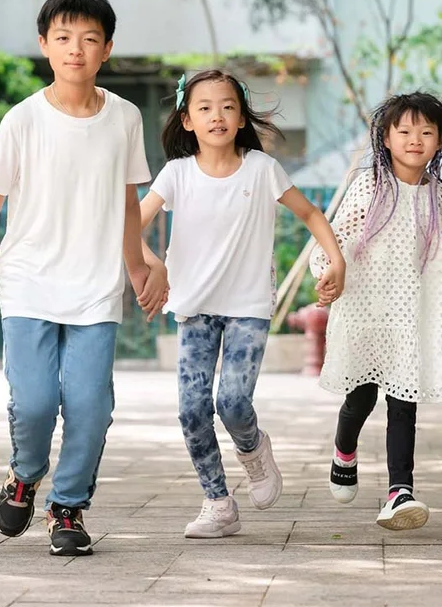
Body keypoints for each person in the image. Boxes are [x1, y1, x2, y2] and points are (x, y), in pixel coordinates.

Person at [0, 0, 164, 557]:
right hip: (30, 282)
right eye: (63, 38)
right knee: (33, 404)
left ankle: (69, 509)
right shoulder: (22, 120)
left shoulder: (125, 118)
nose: (75, 49)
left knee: (91, 405)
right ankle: (24, 475)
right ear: (44, 45)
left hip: (97, 286)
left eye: (88, 39)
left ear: (106, 48)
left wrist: (137, 264)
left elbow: (128, 202)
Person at [139, 70, 345, 538]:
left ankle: (254, 453)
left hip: (249, 304)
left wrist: (335, 259)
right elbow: (132, 224)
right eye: (205, 107)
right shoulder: (176, 174)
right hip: (194, 306)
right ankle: (217, 502)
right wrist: (152, 265)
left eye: (228, 106)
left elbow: (311, 213)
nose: (217, 115)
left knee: (232, 402)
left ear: (240, 117)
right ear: (186, 120)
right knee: (192, 409)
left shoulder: (261, 168)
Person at [309, 92, 442, 531]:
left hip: (412, 320)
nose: (415, 140)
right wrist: (328, 274)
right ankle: (343, 450)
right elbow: (332, 240)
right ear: (385, 137)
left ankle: (399, 491)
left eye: (426, 132)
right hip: (366, 312)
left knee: (405, 404)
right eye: (404, 131)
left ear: (440, 139)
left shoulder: (439, 197)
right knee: (361, 397)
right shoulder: (369, 185)